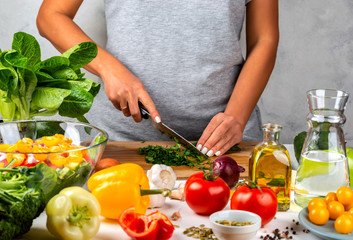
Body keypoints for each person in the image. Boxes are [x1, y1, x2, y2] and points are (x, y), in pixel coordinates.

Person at [36, 0, 279, 157]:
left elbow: (264, 40)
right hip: (121, 140)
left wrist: (236, 116)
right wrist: (108, 68)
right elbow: (51, 15)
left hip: (227, 142)